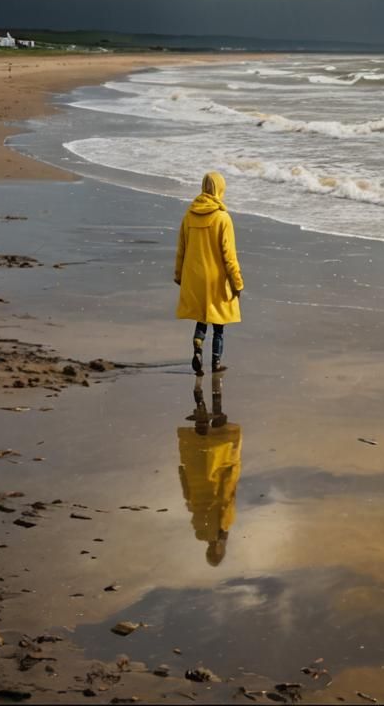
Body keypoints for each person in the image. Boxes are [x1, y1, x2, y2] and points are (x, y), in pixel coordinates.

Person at [174, 171, 244, 376]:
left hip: (194, 275)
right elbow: (229, 256)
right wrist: (237, 283)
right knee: (219, 324)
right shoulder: (223, 218)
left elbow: (182, 249)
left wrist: (179, 275)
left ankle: (197, 343)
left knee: (202, 315)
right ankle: (215, 362)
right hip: (216, 278)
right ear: (220, 189)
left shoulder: (188, 216)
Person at [179, 373, 242, 566]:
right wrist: (182, 474)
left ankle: (211, 390)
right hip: (199, 476)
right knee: (206, 439)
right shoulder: (207, 530)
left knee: (216, 439)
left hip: (207, 477)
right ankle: (206, 393)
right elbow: (191, 500)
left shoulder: (216, 528)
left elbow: (224, 498)